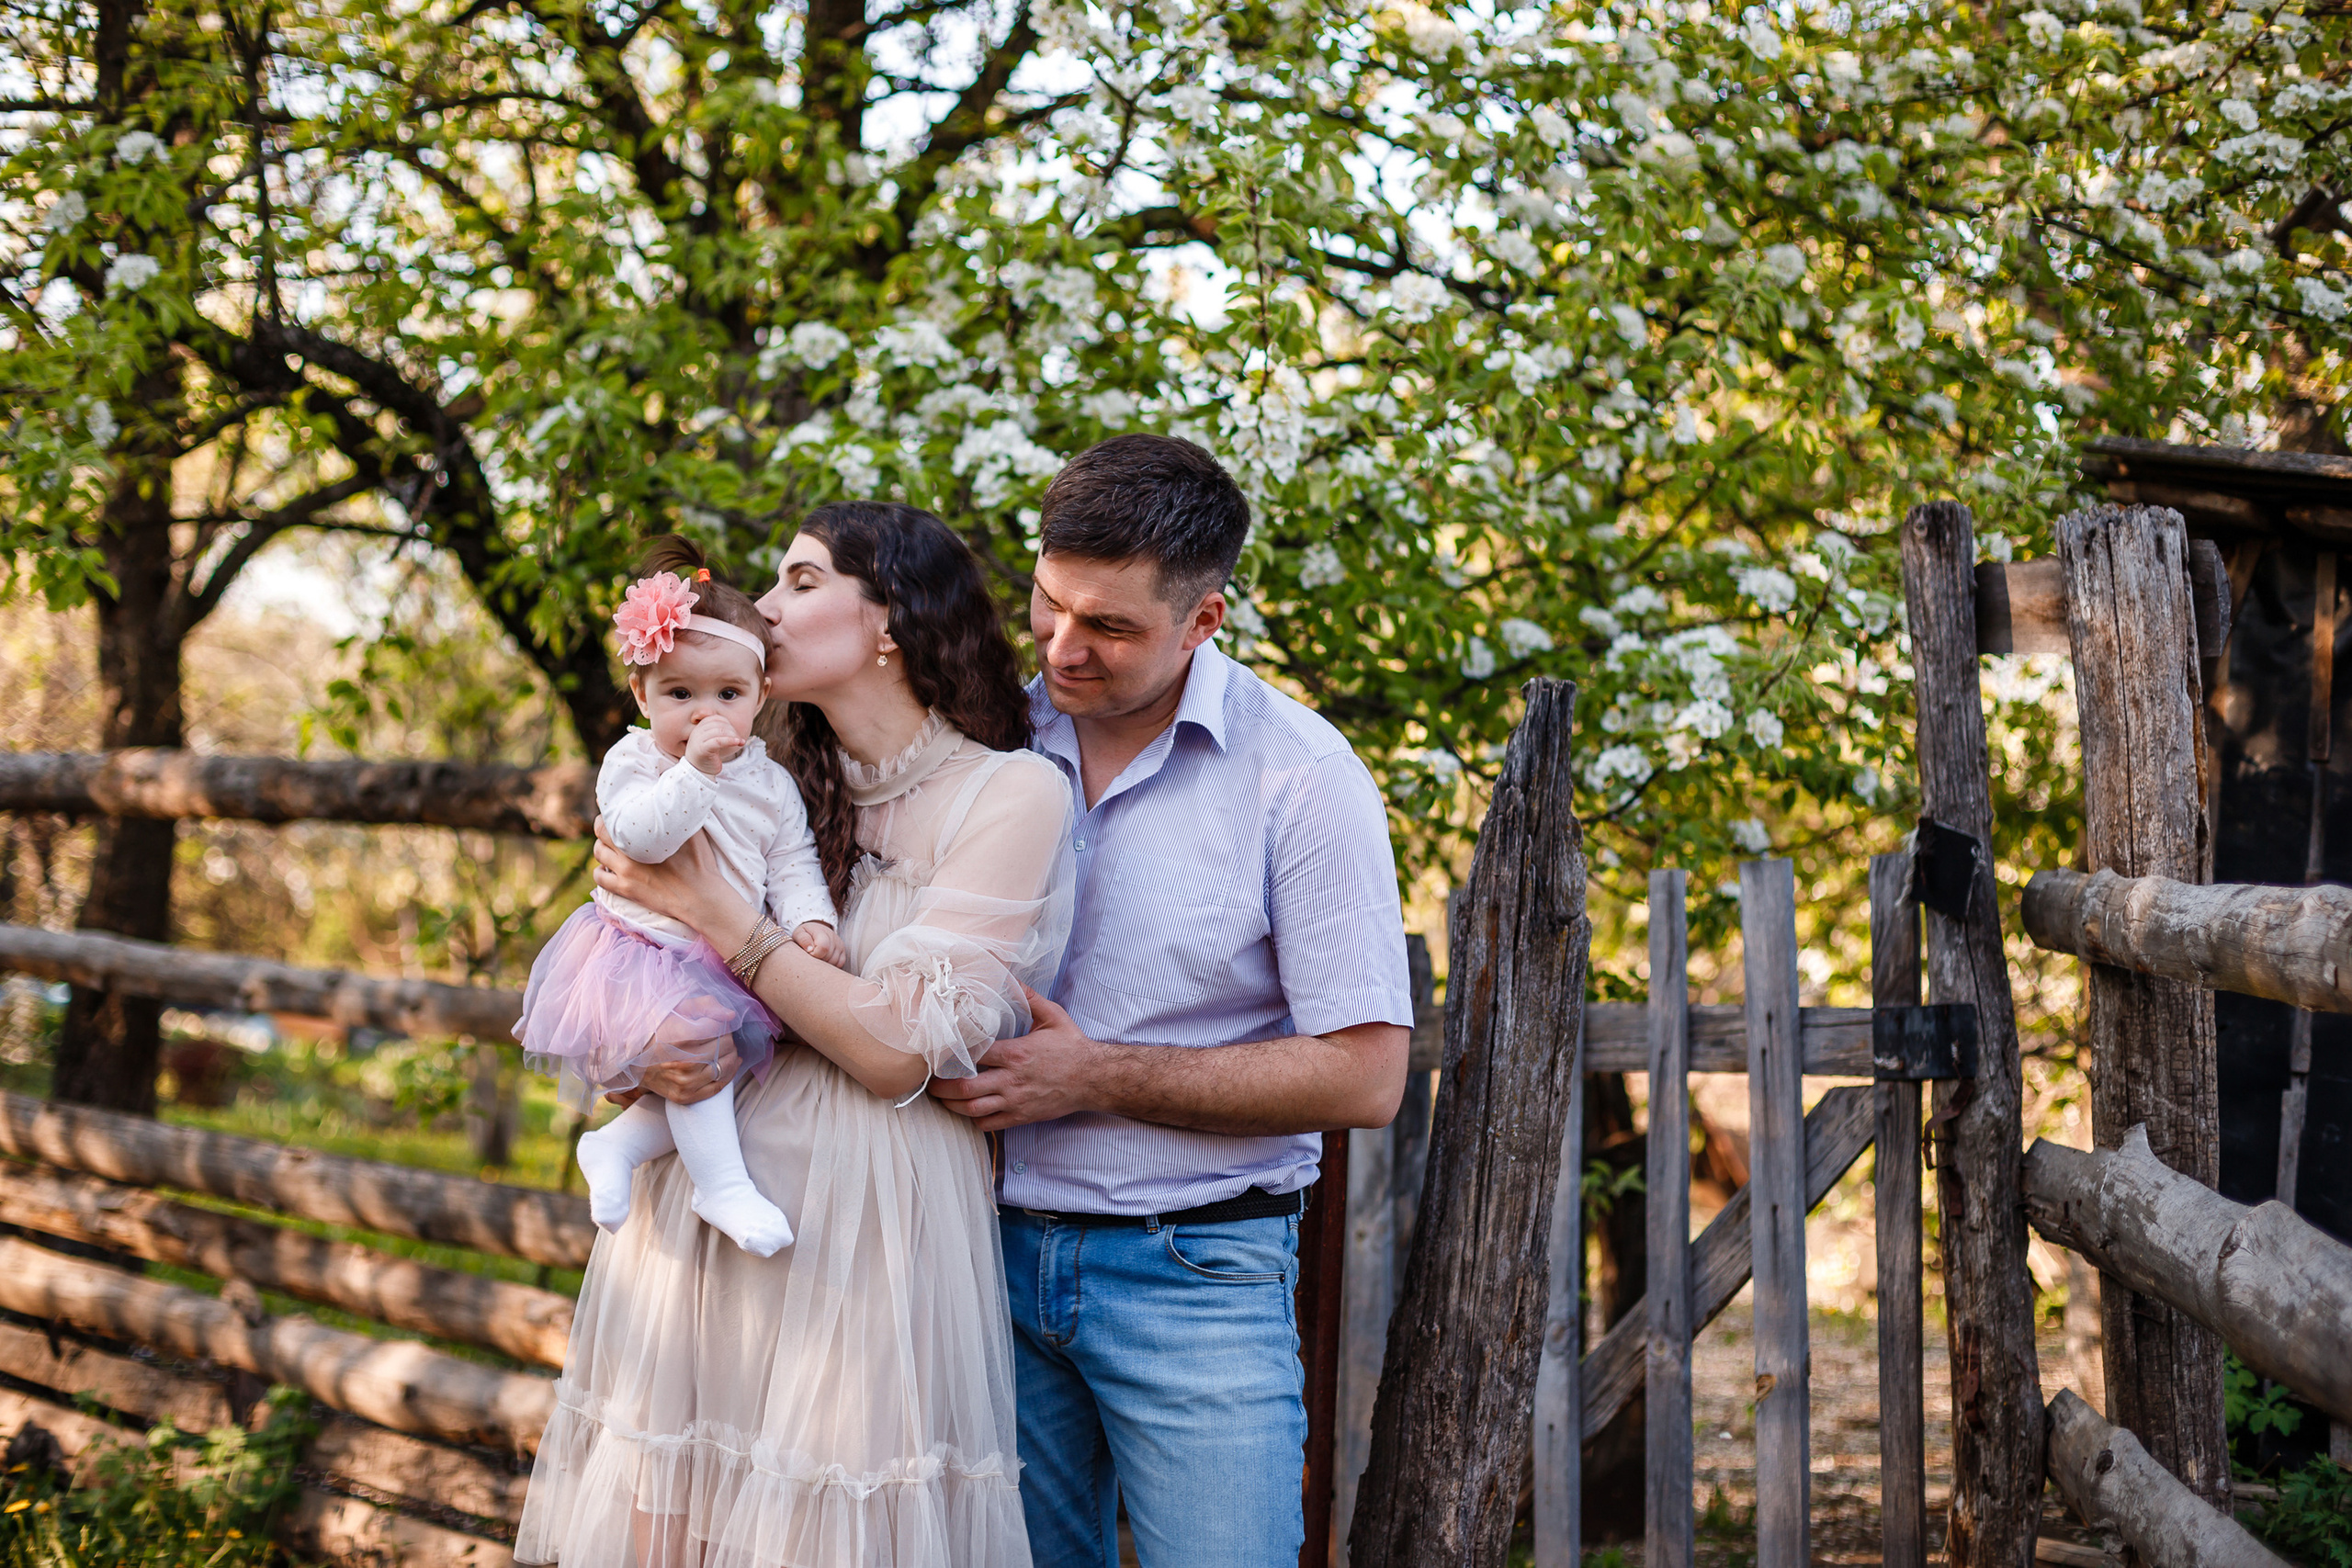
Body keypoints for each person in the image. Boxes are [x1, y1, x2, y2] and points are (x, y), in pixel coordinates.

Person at [517, 502, 1073, 1568]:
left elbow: (898, 1048)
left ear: (891, 625)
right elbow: (626, 951)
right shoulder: (738, 764)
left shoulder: (1010, 793)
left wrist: (723, 919)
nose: (765, 608)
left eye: (801, 581)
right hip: (706, 1217)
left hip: (868, 1233)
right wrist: (648, 1059)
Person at [928, 434, 1416, 1568]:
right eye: (1049, 605)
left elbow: (1365, 1072)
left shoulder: (1301, 777)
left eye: (1109, 627)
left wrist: (1093, 1074)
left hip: (1195, 1276)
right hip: (972, 1254)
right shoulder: (984, 735)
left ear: (1204, 621)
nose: (1062, 647)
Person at [514, 538, 843, 1258]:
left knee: (710, 1067)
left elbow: (790, 860)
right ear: (642, 695)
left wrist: (811, 919)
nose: (705, 714)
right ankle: (722, 1185)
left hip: (728, 955)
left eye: (728, 695)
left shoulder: (770, 783)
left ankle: (617, 1148)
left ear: (760, 695)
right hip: (641, 954)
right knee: (698, 1047)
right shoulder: (636, 760)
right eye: (679, 694)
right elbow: (641, 835)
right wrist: (694, 771)